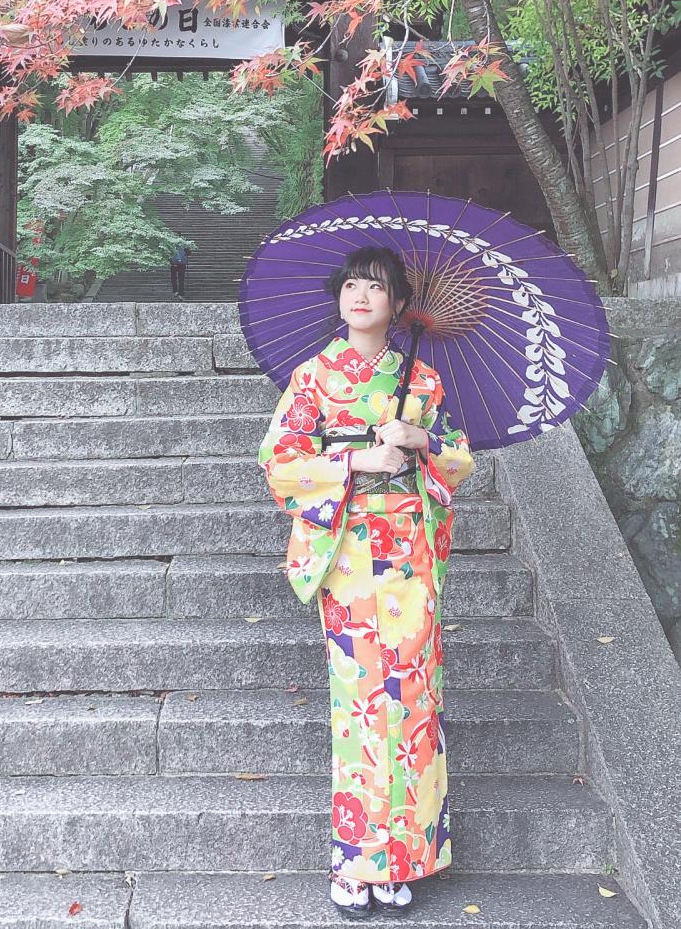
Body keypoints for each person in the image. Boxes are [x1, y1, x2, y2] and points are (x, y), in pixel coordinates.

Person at [258, 246, 475, 919]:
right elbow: (280, 462)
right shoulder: (314, 378)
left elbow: (459, 459)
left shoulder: (424, 382)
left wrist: (420, 440)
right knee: (359, 704)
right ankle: (356, 860)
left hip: (409, 552)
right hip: (350, 552)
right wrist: (356, 461)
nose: (360, 295)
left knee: (412, 699)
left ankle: (403, 858)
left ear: (398, 304)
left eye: (376, 287)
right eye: (352, 284)